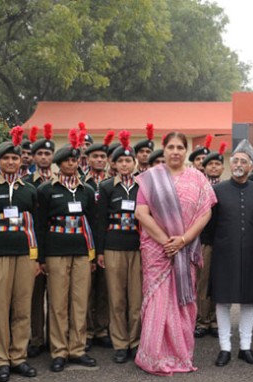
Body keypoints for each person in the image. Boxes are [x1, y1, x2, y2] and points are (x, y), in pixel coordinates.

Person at [134, 131, 216, 375]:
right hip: (156, 251)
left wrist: (182, 240)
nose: (176, 151)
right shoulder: (150, 178)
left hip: (185, 249)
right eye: (171, 147)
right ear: (164, 149)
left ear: (185, 150)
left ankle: (180, 354)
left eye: (180, 147)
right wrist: (166, 242)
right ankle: (154, 354)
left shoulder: (197, 178)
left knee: (183, 301)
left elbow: (205, 214)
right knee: (158, 300)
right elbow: (141, 213)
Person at [0, 127, 39, 382]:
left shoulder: (29, 190)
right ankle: (1, 359)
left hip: (24, 255)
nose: (11, 162)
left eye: (15, 158)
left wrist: (36, 258)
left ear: (21, 161)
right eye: (6, 158)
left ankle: (18, 357)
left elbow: (35, 227)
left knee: (22, 308)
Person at [36, 129, 98, 373]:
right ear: (59, 164)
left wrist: (93, 255)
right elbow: (39, 225)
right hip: (55, 251)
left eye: (74, 160)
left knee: (80, 302)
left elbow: (93, 224)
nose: (72, 164)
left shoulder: (86, 191)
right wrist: (40, 257)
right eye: (67, 161)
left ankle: (77, 348)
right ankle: (59, 350)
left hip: (82, 251)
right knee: (58, 303)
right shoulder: (46, 190)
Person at [204, 140, 253, 367]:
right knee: (223, 300)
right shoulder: (216, 190)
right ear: (231, 164)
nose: (240, 164)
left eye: (244, 161)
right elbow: (209, 225)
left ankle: (245, 347)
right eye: (236, 161)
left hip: (252, 251)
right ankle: (224, 348)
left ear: (251, 166)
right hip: (224, 252)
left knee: (249, 300)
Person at [95, 131, 142, 364]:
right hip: (113, 247)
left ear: (135, 163)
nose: (125, 164)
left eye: (128, 160)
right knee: (116, 298)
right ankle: (120, 343)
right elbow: (100, 221)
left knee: (136, 298)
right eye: (120, 160)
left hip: (137, 248)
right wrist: (100, 252)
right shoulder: (106, 187)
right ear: (113, 164)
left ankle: (135, 342)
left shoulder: (143, 185)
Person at [23, 123, 55, 358]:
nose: (44, 157)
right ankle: (36, 339)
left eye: (47, 153)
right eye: (40, 153)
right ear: (33, 157)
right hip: (32, 247)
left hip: (55, 246)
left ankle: (56, 339)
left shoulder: (62, 180)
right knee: (34, 297)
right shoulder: (25, 183)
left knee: (56, 297)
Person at [82, 130, 114, 351]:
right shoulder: (80, 182)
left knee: (103, 289)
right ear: (88, 158)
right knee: (85, 289)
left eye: (103, 157)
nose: (99, 160)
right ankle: (87, 331)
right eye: (95, 157)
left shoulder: (112, 183)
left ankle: (102, 329)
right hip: (84, 240)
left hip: (106, 241)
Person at [194, 143, 227, 339]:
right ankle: (202, 320)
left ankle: (216, 321)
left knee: (220, 282)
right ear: (204, 168)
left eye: (217, 164)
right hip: (204, 241)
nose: (214, 167)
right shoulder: (199, 188)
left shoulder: (226, 188)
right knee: (203, 282)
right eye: (210, 164)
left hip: (223, 242)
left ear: (223, 167)